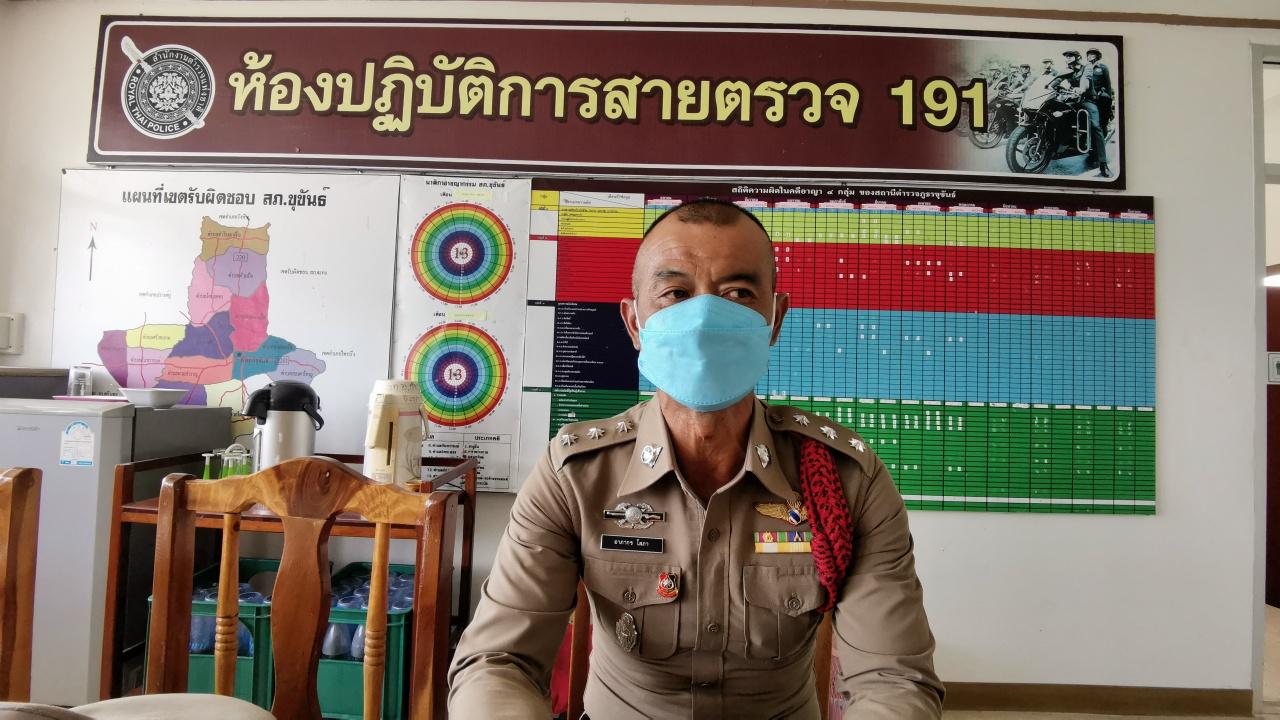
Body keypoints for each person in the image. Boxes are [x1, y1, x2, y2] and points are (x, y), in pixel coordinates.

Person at [448, 199, 944, 719]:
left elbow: (894, 680)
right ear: (634, 323)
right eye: (676, 294)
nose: (704, 318)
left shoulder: (845, 481)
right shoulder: (574, 475)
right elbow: (497, 662)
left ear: (775, 320)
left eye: (738, 294)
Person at [1052, 50, 1109, 178]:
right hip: (1072, 99)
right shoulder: (1067, 70)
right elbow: (1057, 79)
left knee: (1096, 127)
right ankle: (1058, 145)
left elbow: (1085, 81)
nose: (1067, 58)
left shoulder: (1086, 67)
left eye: (1070, 56)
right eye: (1066, 56)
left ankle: (1103, 163)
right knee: (1054, 113)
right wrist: (1048, 86)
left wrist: (1081, 89)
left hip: (1087, 100)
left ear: (1077, 57)